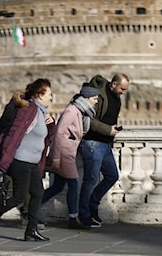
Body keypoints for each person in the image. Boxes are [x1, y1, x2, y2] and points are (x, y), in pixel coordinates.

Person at [0, 78, 56, 241]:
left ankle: (31, 230)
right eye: (50, 94)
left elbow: (43, 137)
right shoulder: (28, 109)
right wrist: (7, 155)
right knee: (19, 196)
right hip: (21, 159)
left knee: (37, 193)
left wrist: (51, 124)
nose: (51, 97)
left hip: (33, 161)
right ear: (40, 95)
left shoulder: (41, 112)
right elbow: (14, 132)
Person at [41, 84, 99, 229]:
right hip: (64, 153)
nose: (96, 101)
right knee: (73, 184)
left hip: (68, 152)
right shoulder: (72, 111)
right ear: (86, 98)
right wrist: (55, 157)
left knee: (57, 187)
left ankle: (28, 207)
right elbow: (59, 133)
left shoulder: (80, 110)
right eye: (94, 98)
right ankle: (73, 218)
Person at [78, 73, 130, 228]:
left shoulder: (115, 96)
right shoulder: (99, 96)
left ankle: (93, 205)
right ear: (113, 84)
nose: (123, 92)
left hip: (106, 145)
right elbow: (88, 119)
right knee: (90, 180)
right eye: (122, 88)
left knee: (112, 175)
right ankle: (84, 214)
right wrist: (108, 130)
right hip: (93, 143)